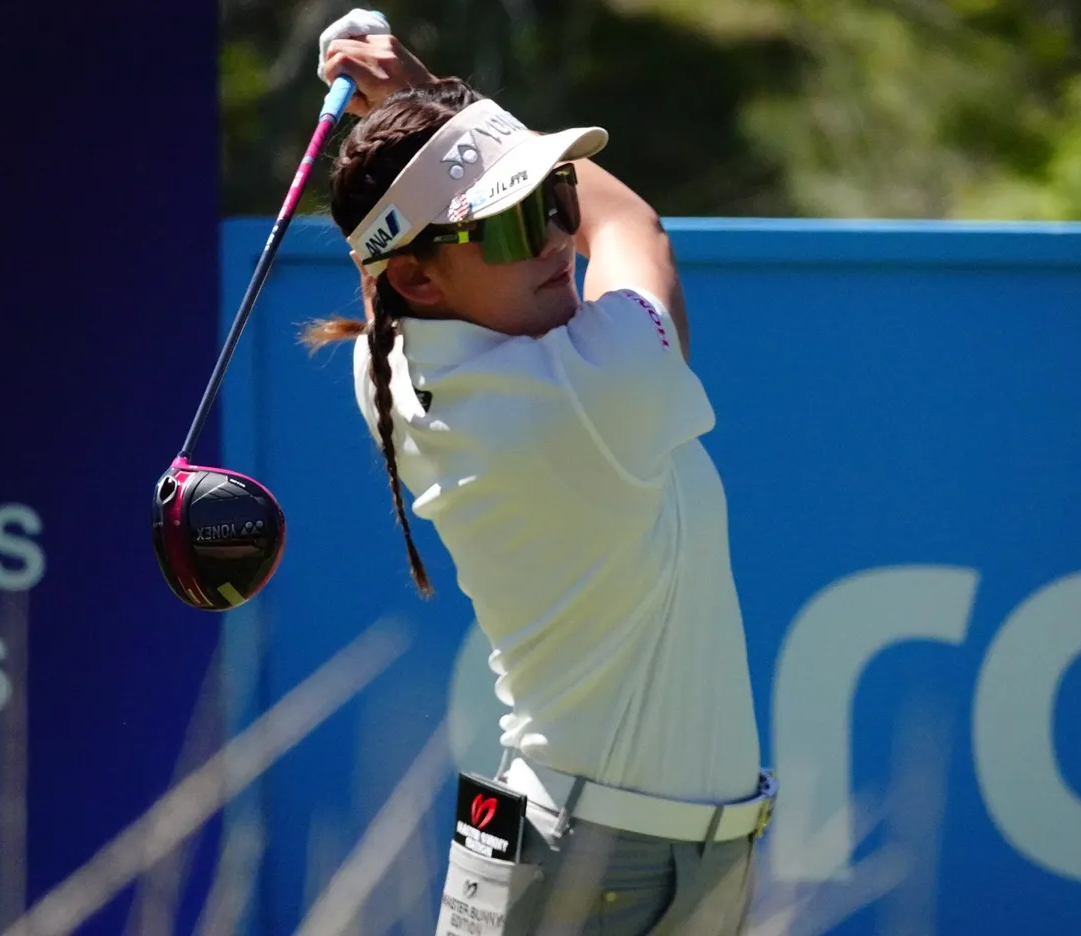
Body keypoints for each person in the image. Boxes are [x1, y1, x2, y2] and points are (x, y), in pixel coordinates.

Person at [303, 10, 774, 934]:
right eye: (519, 219)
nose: (560, 236)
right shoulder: (591, 385)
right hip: (590, 863)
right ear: (420, 280)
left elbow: (396, 261)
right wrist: (432, 99)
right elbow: (631, 224)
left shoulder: (391, 360)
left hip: (618, 847)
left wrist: (446, 131)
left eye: (556, 196)